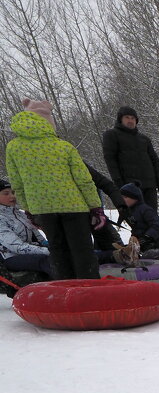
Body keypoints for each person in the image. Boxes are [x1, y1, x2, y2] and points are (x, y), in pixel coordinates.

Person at [5, 99, 105, 280]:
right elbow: (84, 181)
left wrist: (29, 209)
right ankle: (90, 291)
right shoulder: (63, 146)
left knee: (58, 252)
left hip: (42, 208)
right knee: (82, 251)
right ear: (48, 122)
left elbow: (17, 183)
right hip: (74, 206)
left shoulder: (13, 148)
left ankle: (64, 290)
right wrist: (95, 207)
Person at [102, 105, 159, 209]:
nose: (130, 120)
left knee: (152, 218)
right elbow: (110, 160)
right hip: (130, 186)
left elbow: (155, 161)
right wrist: (120, 185)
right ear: (120, 119)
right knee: (137, 219)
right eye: (127, 117)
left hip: (149, 185)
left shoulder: (144, 139)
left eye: (133, 118)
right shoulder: (111, 135)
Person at [0, 178, 52, 297]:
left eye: (13, 192)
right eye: (6, 193)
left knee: (67, 253)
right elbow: (17, 247)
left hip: (31, 251)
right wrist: (47, 251)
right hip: (11, 257)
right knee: (50, 260)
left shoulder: (20, 214)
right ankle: (63, 290)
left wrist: (53, 247)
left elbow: (40, 239)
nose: (12, 196)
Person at [120, 182, 159, 250]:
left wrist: (147, 237)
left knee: (148, 251)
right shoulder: (131, 211)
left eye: (126, 197)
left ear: (135, 197)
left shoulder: (145, 210)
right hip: (145, 241)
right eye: (122, 197)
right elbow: (137, 228)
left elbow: (157, 226)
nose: (123, 200)